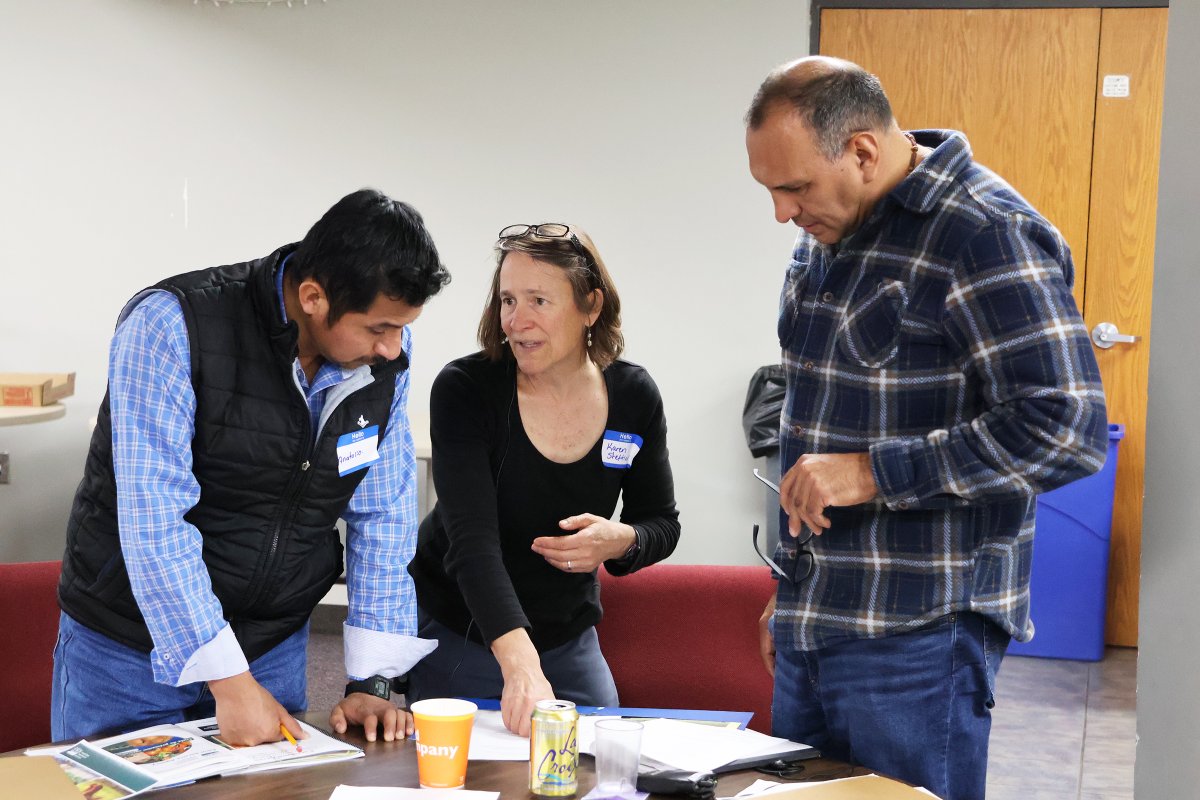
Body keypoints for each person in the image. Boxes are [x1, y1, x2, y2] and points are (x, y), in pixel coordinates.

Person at [744, 57, 1108, 799]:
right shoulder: (828, 232)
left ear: (864, 152)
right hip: (817, 618)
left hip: (920, 636)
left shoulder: (983, 232)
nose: (782, 213)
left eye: (794, 188)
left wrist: (875, 472)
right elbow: (822, 417)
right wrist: (793, 586)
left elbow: (1066, 425)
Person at [53, 188, 450, 747]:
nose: (392, 348)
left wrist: (374, 680)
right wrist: (230, 683)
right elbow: (154, 520)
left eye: (401, 329)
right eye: (378, 329)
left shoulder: (381, 361)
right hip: (131, 651)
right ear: (313, 296)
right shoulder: (171, 326)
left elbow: (384, 515)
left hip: (269, 647)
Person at [407, 223, 680, 736]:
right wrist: (521, 665)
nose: (517, 320)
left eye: (539, 299)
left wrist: (623, 541)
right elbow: (472, 543)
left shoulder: (634, 395)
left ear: (591, 307)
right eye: (508, 300)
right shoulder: (466, 389)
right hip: (465, 629)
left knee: (598, 771)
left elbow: (660, 523)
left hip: (567, 634)